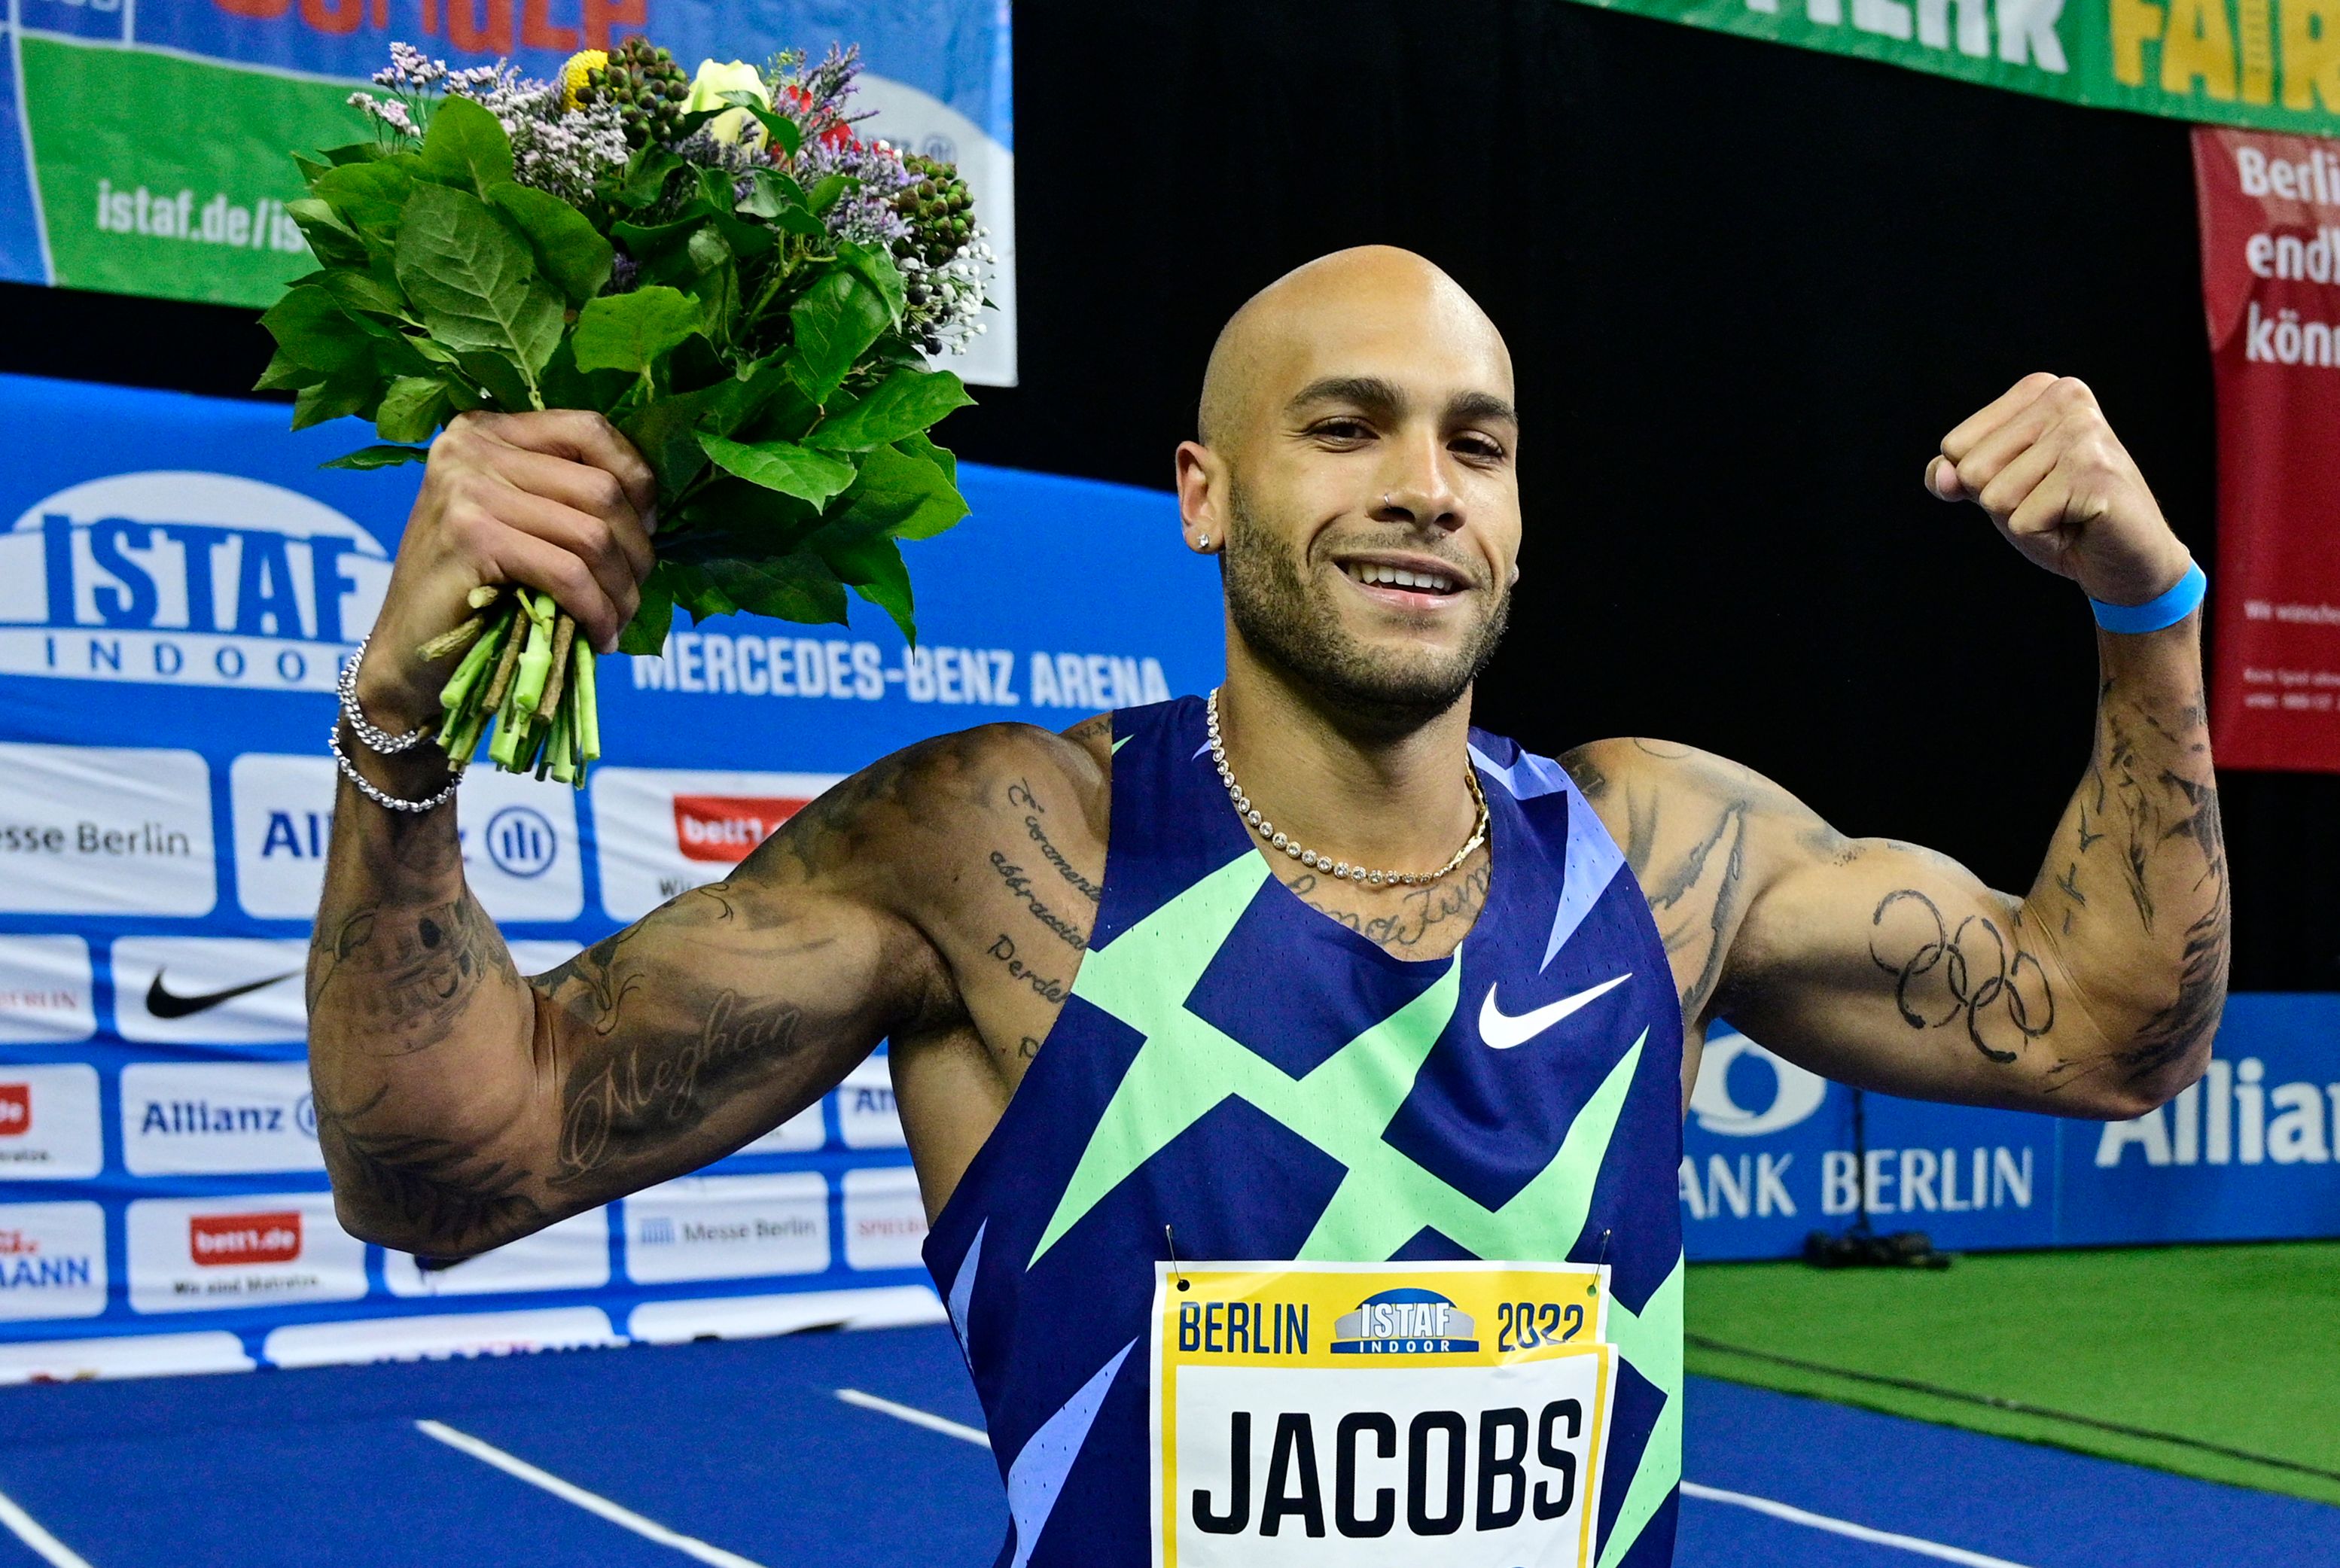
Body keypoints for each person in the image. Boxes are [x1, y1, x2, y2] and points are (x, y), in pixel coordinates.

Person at [309, 246, 2226, 1567]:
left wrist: (2146, 616)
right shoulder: (994, 851)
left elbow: (2109, 1028)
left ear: (1523, 514)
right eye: (1348, 426)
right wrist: (402, 717)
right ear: (1203, 493)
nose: (1424, 488)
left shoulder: (1665, 853)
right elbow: (455, 1162)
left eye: (1476, 442)